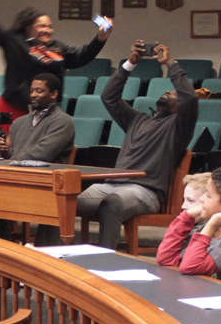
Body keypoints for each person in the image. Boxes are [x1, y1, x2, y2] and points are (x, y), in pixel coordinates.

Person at [0, 0, 111, 155]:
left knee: (34, 155)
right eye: (42, 26)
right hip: (13, 108)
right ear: (29, 28)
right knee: (3, 155)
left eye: (49, 26)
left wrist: (100, 39)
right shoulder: (14, 43)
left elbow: (81, 57)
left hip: (43, 113)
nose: (47, 30)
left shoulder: (57, 48)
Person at [77, 41, 199, 249]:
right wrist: (130, 64)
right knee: (62, 201)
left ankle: (104, 262)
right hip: (110, 185)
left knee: (112, 203)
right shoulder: (137, 119)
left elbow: (190, 99)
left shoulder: (178, 127)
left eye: (175, 93)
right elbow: (109, 97)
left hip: (145, 191)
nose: (170, 92)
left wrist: (170, 63)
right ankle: (47, 258)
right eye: (169, 91)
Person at [0, 73, 75, 245]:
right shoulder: (19, 122)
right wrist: (5, 152)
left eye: (39, 91)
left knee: (52, 205)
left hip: (47, 186)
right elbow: (14, 153)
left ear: (53, 95)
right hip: (17, 180)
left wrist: (11, 159)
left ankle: (43, 257)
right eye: (32, 91)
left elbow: (42, 153)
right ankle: (4, 253)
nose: (34, 95)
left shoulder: (62, 122)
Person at [156, 167, 221, 289]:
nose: (202, 198)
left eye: (208, 195)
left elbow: (190, 267)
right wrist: (187, 217)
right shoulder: (203, 229)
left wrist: (211, 224)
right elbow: (166, 259)